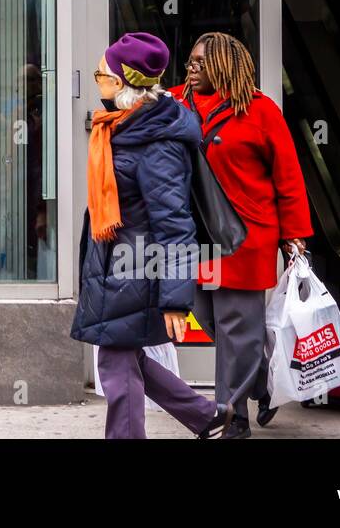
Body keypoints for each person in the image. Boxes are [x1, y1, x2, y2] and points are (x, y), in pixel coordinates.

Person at [70, 32, 230, 440]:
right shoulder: (122, 126)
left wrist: (176, 300)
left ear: (121, 83)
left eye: (100, 74)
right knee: (126, 357)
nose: (97, 81)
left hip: (135, 270)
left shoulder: (155, 142)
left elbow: (175, 226)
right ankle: (205, 416)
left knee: (115, 365)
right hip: (116, 267)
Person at [171, 32, 312, 438]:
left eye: (200, 63)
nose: (191, 69)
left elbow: (287, 177)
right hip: (195, 237)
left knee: (236, 326)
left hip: (246, 237)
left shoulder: (260, 110)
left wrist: (294, 235)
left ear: (223, 66)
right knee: (208, 317)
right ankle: (264, 380)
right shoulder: (177, 104)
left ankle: (232, 418)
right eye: (190, 62)